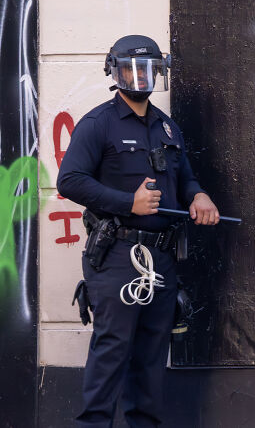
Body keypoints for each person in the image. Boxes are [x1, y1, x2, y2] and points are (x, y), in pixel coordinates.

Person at [57, 35, 220, 427]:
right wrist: (126, 203)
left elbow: (185, 179)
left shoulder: (167, 128)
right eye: (131, 68)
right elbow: (70, 181)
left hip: (160, 257)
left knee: (151, 354)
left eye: (148, 69)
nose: (140, 77)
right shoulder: (99, 124)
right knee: (112, 350)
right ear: (116, 72)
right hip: (116, 254)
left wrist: (198, 196)